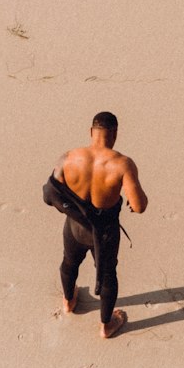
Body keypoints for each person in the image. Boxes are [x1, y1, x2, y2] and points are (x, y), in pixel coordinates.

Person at [42, 111, 148, 339]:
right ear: (115, 134)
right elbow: (139, 206)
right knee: (108, 275)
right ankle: (106, 326)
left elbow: (51, 191)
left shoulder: (69, 157)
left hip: (74, 227)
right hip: (104, 233)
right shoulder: (123, 164)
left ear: (91, 132)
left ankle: (69, 301)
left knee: (69, 262)